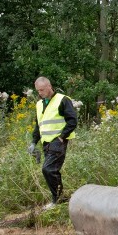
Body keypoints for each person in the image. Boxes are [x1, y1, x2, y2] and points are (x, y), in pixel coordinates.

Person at [28, 77, 77, 207]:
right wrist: (33, 142)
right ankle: (60, 199)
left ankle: (57, 200)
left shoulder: (63, 100)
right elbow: (39, 125)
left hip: (58, 141)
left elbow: (72, 121)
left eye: (42, 90)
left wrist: (61, 137)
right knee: (52, 170)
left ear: (49, 86)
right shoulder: (39, 104)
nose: (40, 93)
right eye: (38, 90)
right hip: (46, 143)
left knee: (48, 169)